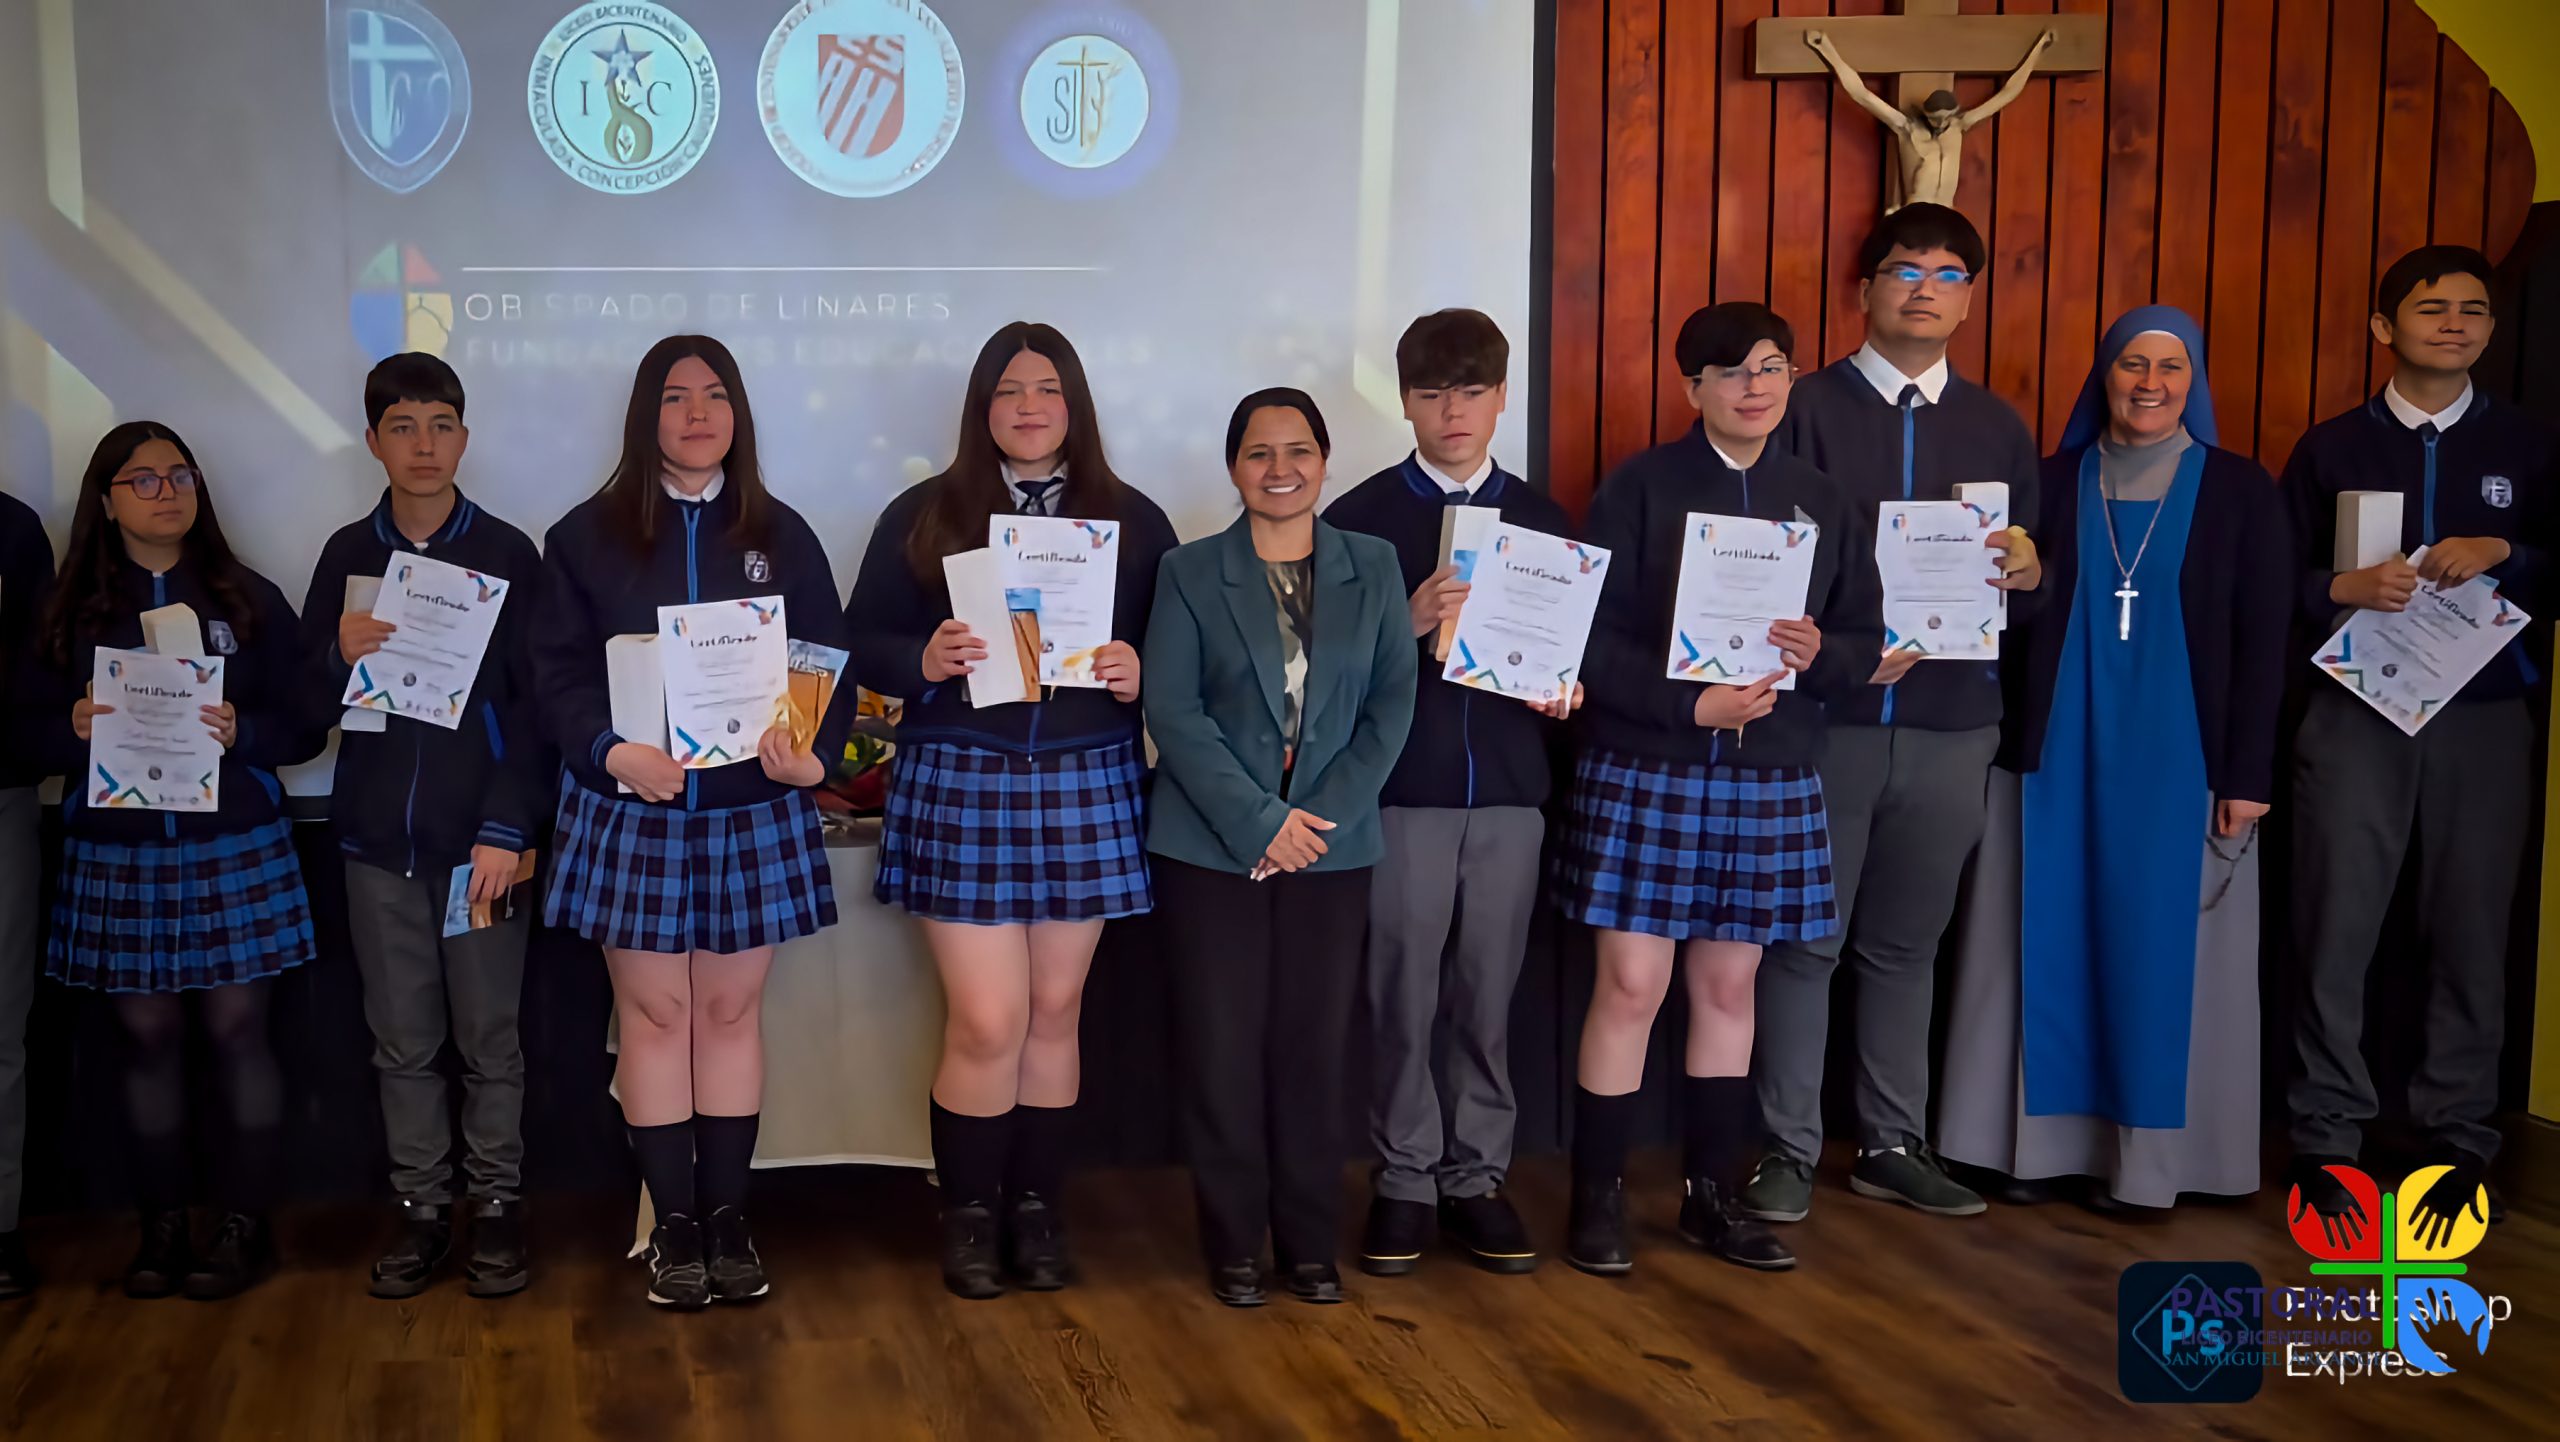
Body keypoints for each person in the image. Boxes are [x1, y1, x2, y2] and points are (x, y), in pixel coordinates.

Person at [847, 323, 1177, 1299]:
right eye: (1007, 389)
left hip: (1087, 772)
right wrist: (922, 659)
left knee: (1057, 1010)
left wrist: (1141, 669)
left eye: (1047, 387)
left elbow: (1188, 655)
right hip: (962, 771)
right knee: (988, 1018)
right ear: (980, 407)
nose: (1028, 405)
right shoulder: (927, 510)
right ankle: (970, 1214)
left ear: (1074, 403)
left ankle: (1037, 1211)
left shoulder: (1134, 519)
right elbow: (859, 637)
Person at [1937, 307, 2293, 1211]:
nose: (2149, 383)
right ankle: (2029, 1151)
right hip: (2055, 750)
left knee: (2159, 954)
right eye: (2132, 363)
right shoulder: (2049, 483)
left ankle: (2152, 1168)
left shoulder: (2242, 490)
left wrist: (2249, 777)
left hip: (2187, 763)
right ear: (2105, 374)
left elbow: (2265, 642)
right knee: (2035, 937)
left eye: (2170, 367)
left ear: (2193, 381)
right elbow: (1999, 612)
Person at [531, 336, 854, 1310]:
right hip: (633, 807)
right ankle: (671, 1226)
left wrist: (807, 751)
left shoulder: (781, 532)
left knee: (724, 1011)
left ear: (737, 414)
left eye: (716, 396)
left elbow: (818, 657)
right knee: (656, 1014)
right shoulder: (584, 535)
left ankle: (727, 1219)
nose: (698, 413)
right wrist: (608, 750)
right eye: (676, 398)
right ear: (647, 416)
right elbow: (555, 673)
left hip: (751, 809)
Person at [1559, 302, 1882, 1277]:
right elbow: (1588, 639)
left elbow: (1862, 643)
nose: (1756, 385)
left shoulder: (1821, 499)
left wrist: (1823, 652)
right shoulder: (1641, 486)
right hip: (1651, 763)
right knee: (1631, 983)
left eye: (1773, 366)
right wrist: (1684, 705)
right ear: (1691, 386)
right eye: (1732, 370)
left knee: (1729, 983)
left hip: (1770, 770)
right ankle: (1597, 1200)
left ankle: (1708, 1195)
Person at [1745, 204, 2044, 1226]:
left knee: (1907, 944)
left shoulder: (1997, 424)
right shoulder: (1803, 406)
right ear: (1862, 289)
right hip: (1823, 722)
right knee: (1803, 941)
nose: (1925, 286)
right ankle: (1783, 1146)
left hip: (1954, 719)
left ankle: (1888, 1139)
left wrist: (2033, 565)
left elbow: (2025, 577)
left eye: (1949, 271)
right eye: (1904, 268)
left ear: (1968, 295)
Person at [2283, 246, 2553, 1228]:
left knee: (2472, 929)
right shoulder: (2329, 448)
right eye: (2430, 307)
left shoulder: (2528, 446)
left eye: (2472, 310)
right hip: (2353, 716)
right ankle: (2325, 1131)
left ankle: (2456, 1134)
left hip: (2484, 719)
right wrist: (2335, 590)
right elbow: (2271, 584)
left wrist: (2510, 553)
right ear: (2381, 327)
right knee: (2334, 925)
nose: (2453, 323)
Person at [25, 422, 325, 1299]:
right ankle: (160, 1228)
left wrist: (248, 734)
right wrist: (69, 730)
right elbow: (22, 732)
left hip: (233, 844)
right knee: (144, 1039)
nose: (167, 492)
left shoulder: (245, 596)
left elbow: (307, 719)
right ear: (106, 498)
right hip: (117, 852)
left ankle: (244, 1228)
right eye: (143, 479)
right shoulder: (70, 607)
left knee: (239, 1034)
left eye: (180, 475)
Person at [1145, 389, 1416, 1307]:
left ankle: (1308, 1243)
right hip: (1210, 850)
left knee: (1313, 1049)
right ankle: (1231, 1244)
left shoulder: (1374, 567)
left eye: (1299, 450)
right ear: (1234, 469)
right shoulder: (1188, 572)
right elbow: (1173, 712)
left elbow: (1390, 708)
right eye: (1259, 453)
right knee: (1222, 1051)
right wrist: (1262, 823)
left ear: (1326, 461)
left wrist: (1312, 825)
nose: (1280, 468)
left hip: (1331, 852)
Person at [1322, 309, 1569, 1278]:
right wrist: (1402, 619)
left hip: (1510, 792)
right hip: (1403, 793)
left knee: (1486, 996)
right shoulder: (1356, 521)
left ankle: (1477, 1174)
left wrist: (1567, 686)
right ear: (1405, 401)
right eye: (1430, 392)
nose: (1451, 410)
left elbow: (1570, 655)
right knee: (1401, 993)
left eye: (1470, 390)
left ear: (1502, 396)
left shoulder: (1547, 521)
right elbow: (1318, 675)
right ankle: (1404, 1176)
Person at [300, 353, 545, 1298]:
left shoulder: (510, 554)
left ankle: (496, 1211)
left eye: (441, 424)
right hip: (374, 849)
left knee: (490, 1041)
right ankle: (420, 1212)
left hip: (481, 850)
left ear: (465, 438)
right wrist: (334, 656)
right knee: (401, 1043)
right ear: (373, 442)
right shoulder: (344, 556)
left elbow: (532, 714)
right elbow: (297, 703)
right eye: (403, 427)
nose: (424, 445)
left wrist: (508, 826)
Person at [0, 486, 56, 1300]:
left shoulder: (13, 529)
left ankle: (0, 1230)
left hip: (1, 795)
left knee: (0, 1033)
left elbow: (40, 675)